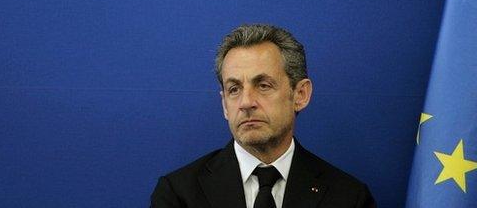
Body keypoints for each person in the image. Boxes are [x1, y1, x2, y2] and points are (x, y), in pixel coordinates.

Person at [151, 24, 375, 208]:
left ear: (300, 94)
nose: (246, 102)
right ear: (224, 105)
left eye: (264, 85)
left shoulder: (349, 198)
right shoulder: (178, 195)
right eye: (234, 89)